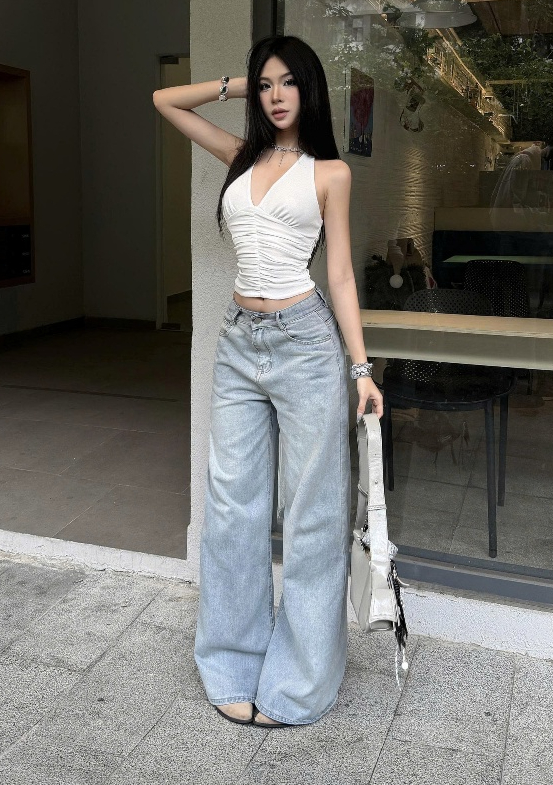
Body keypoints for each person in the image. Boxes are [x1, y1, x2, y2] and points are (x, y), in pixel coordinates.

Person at [152, 35, 383, 728]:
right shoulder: (239, 155)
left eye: (289, 82)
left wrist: (361, 368)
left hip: (305, 344)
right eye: (266, 84)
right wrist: (233, 83)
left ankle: (299, 684)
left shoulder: (329, 173)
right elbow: (164, 100)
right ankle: (229, 662)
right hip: (237, 343)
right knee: (231, 510)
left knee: (312, 516)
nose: (277, 95)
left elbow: (339, 275)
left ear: (310, 90)